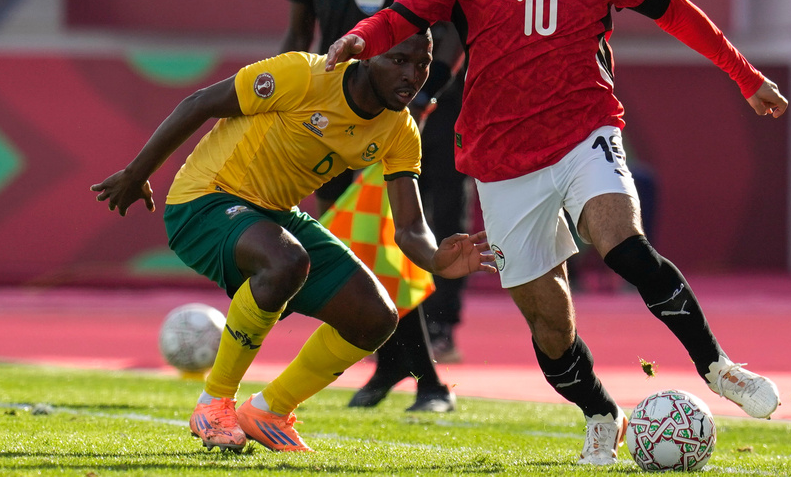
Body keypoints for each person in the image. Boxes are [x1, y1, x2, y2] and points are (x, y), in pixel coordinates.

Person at [326, 0, 789, 466]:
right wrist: (360, 36)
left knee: (622, 244)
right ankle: (601, 413)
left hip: (585, 130)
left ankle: (717, 367)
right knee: (550, 325)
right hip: (499, 158)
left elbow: (673, 10)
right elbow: (404, 16)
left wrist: (744, 75)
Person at [90, 32, 493, 454]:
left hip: (276, 215)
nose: (413, 75)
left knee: (376, 317)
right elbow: (200, 103)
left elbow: (410, 227)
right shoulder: (304, 73)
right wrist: (137, 173)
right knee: (285, 261)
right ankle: (214, 402)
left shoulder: (399, 129)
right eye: (400, 60)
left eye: (422, 63)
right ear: (368, 56)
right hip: (205, 200)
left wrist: (436, 259)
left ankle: (270, 410)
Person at [281, 0, 457, 413]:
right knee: (361, 250)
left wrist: (428, 95)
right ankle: (396, 371)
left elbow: (455, 16)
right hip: (327, 116)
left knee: (387, 242)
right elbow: (298, 33)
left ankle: (427, 381)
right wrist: (287, 99)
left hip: (389, 117)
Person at [378, 0, 494, 364]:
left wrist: (435, 87)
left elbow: (470, 27)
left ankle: (443, 325)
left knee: (444, 200)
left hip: (456, 90)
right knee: (389, 203)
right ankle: (387, 322)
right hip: (396, 82)